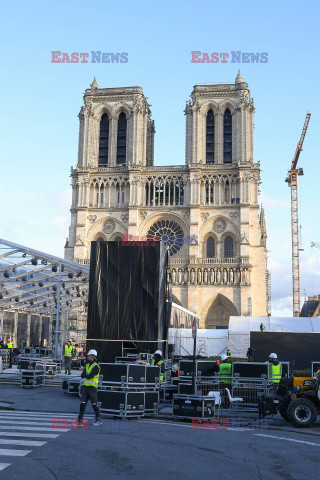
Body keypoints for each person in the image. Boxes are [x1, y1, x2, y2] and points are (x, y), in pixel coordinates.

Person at [78, 349, 102, 426]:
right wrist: (86, 375)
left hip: (92, 388)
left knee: (94, 405)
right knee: (82, 404)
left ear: (93, 356)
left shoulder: (96, 366)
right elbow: (83, 375)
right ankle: (79, 421)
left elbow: (89, 376)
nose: (87, 357)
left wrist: (86, 375)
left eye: (89, 355)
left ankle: (98, 419)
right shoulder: (87, 365)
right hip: (86, 387)